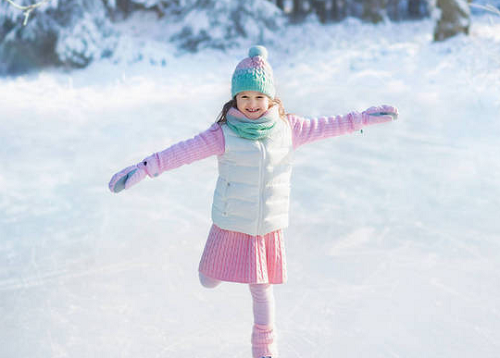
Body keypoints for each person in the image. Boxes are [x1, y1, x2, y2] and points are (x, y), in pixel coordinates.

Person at [108, 45, 398, 358]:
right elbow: (181, 152)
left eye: (259, 97)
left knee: (261, 290)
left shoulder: (290, 129)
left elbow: (330, 124)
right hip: (230, 222)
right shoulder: (223, 133)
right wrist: (144, 168)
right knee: (207, 280)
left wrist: (361, 119)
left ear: (271, 99)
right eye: (244, 97)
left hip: (265, 227)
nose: (252, 104)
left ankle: (265, 350)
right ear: (235, 99)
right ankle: (220, 271)